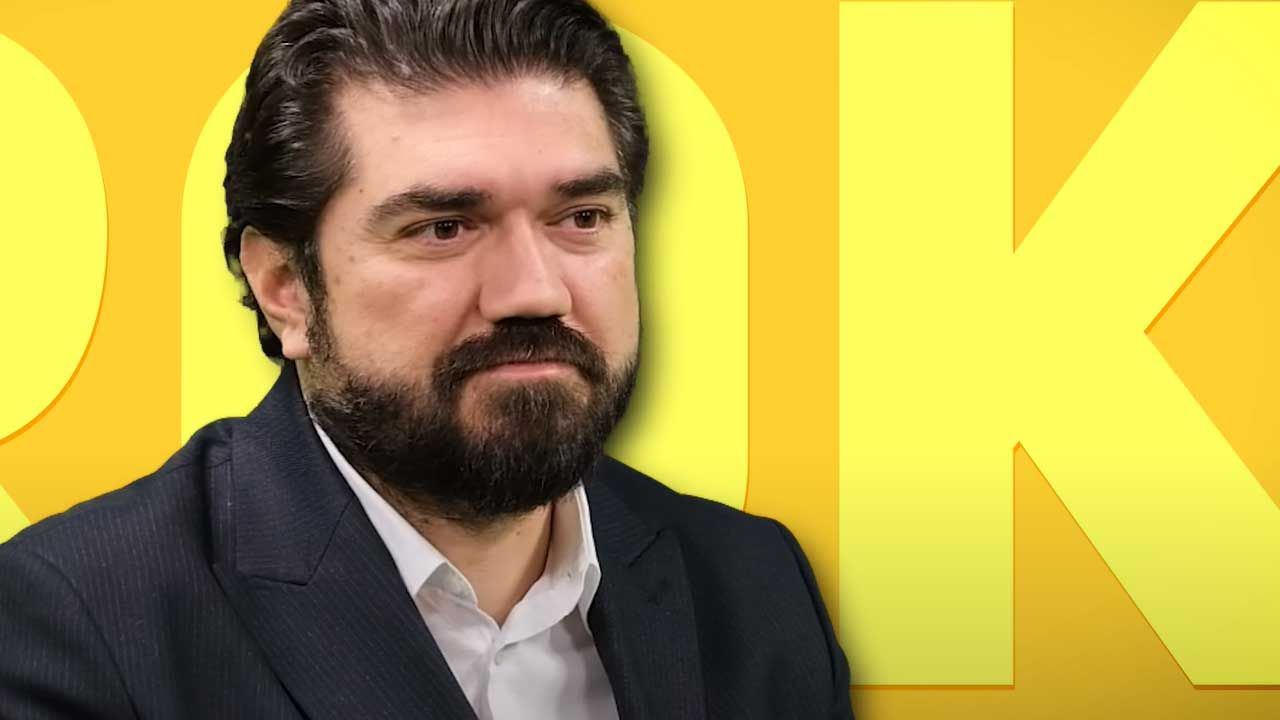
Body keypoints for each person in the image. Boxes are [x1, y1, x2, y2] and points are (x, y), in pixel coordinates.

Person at [0, 1, 853, 717]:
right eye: (443, 228)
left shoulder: (751, 586)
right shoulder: (78, 625)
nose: (534, 292)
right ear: (285, 288)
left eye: (582, 217)